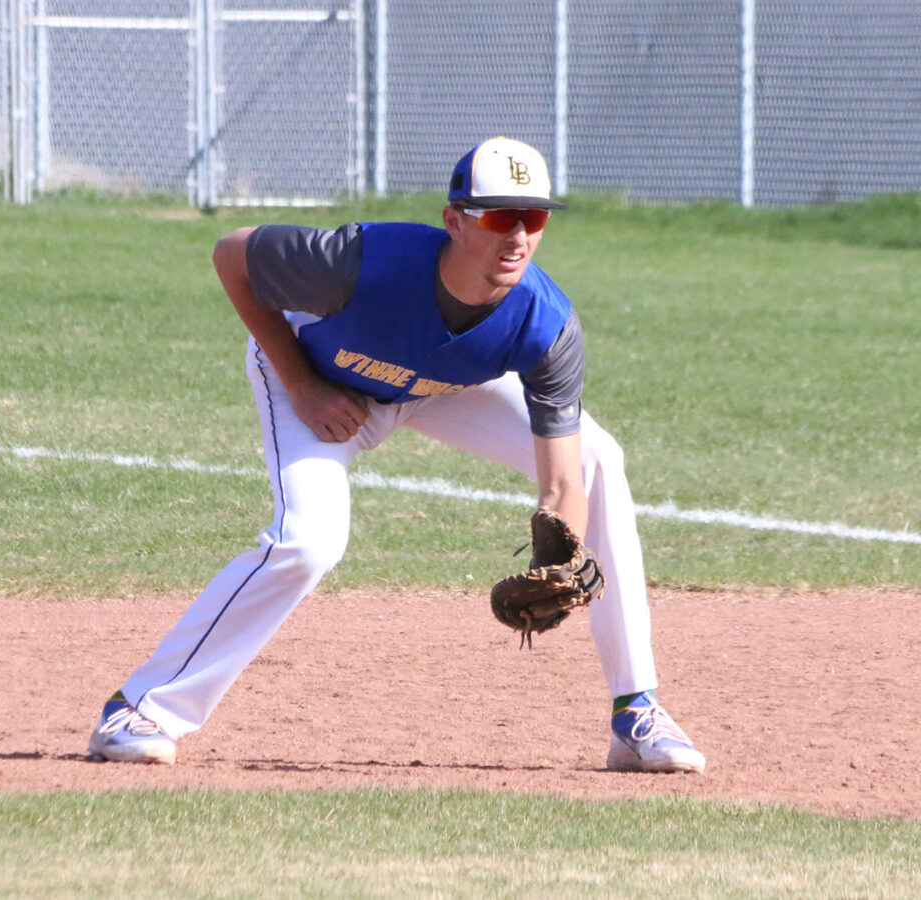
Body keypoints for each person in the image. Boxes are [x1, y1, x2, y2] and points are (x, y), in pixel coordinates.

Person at [87, 136, 705, 774]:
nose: (517, 236)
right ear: (454, 221)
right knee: (308, 542)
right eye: (498, 217)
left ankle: (636, 711)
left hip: (442, 385)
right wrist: (301, 384)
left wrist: (562, 552)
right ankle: (140, 708)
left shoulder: (545, 325)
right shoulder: (358, 262)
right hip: (320, 377)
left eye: (534, 218)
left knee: (599, 458)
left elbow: (565, 479)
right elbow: (232, 256)